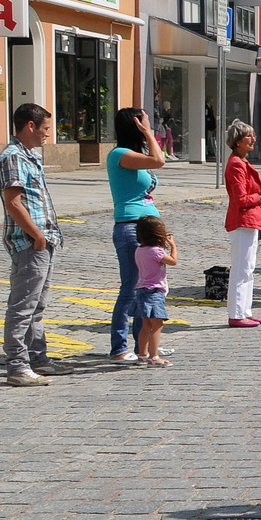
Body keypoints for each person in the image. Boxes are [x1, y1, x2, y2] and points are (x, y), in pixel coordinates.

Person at [0, 104, 67, 386]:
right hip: (30, 242)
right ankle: (17, 365)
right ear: (30, 126)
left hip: (45, 239)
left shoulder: (30, 156)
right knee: (23, 306)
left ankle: (38, 358)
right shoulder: (13, 157)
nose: (48, 134)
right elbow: (13, 202)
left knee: (38, 305)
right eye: (46, 128)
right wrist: (36, 235)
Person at [107, 107, 167, 364]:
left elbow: (156, 158)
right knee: (131, 288)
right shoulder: (120, 154)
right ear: (135, 125)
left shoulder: (135, 154)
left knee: (149, 288)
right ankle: (119, 348)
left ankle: (144, 346)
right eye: (143, 121)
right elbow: (159, 161)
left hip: (146, 227)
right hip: (131, 227)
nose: (148, 124)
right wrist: (149, 132)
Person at [223, 121, 261, 328]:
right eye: (248, 137)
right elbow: (240, 199)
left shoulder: (242, 161)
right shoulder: (236, 164)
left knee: (248, 268)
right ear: (237, 142)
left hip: (250, 219)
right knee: (241, 268)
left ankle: (245, 310)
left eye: (253, 135)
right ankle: (236, 313)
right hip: (242, 219)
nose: (253, 139)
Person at [131, 217, 178, 367]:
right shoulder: (156, 251)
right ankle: (154, 356)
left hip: (141, 290)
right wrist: (173, 245)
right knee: (157, 325)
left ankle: (142, 355)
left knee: (145, 325)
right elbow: (173, 261)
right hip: (154, 292)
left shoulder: (139, 250)